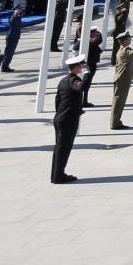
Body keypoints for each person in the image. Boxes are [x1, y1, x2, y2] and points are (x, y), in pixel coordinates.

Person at [51, 55, 91, 184]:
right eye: (82, 65)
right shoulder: (73, 80)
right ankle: (59, 176)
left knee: (59, 148)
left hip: (60, 118)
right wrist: (87, 74)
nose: (84, 67)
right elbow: (81, 87)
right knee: (64, 148)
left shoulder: (63, 80)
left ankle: (56, 175)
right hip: (68, 119)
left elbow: (57, 100)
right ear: (77, 67)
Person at [109, 31, 133, 129]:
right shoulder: (125, 50)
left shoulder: (121, 49)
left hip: (120, 78)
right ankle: (115, 123)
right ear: (125, 41)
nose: (130, 40)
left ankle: (116, 122)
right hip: (123, 79)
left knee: (118, 102)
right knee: (119, 102)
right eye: (129, 39)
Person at [0, 6, 23, 72]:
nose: (21, 10)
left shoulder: (18, 16)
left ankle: (6, 66)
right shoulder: (13, 16)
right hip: (12, 37)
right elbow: (12, 21)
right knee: (8, 52)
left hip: (15, 37)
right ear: (16, 9)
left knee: (11, 52)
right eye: (19, 9)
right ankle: (4, 67)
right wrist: (16, 14)